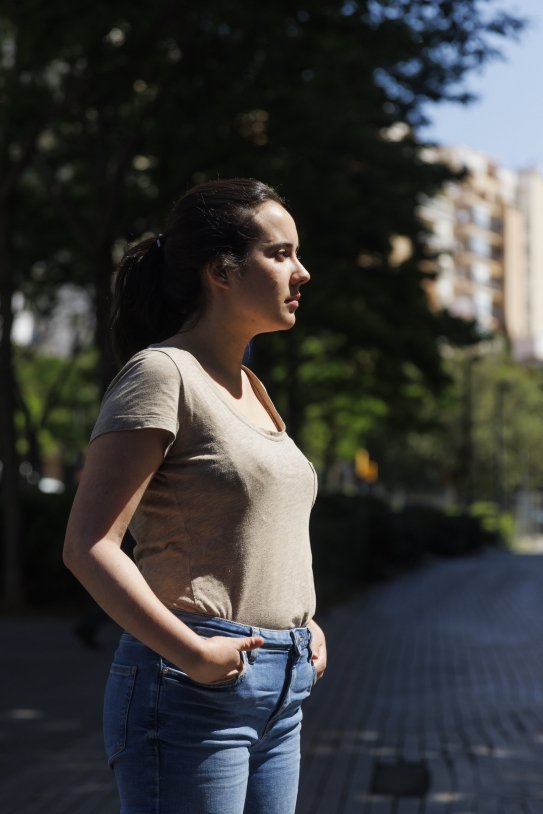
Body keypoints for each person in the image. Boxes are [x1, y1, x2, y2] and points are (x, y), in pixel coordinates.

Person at [63, 178, 327, 814]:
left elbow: (251, 530)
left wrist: (302, 621)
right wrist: (196, 655)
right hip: (191, 687)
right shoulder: (162, 374)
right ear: (221, 272)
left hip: (281, 688)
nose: (303, 272)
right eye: (282, 253)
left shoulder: (249, 386)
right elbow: (89, 545)